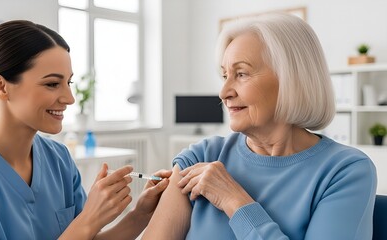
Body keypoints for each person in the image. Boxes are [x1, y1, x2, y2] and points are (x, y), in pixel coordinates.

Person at [142, 13, 377, 240]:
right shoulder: (201, 157)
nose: (224, 93)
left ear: (291, 80)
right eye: (225, 76)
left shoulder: (345, 171)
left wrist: (235, 200)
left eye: (241, 74)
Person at [0, 20, 171, 240]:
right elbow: (82, 230)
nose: (70, 99)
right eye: (52, 84)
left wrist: (140, 214)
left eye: (69, 83)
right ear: (0, 86)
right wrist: (90, 219)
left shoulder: (59, 159)